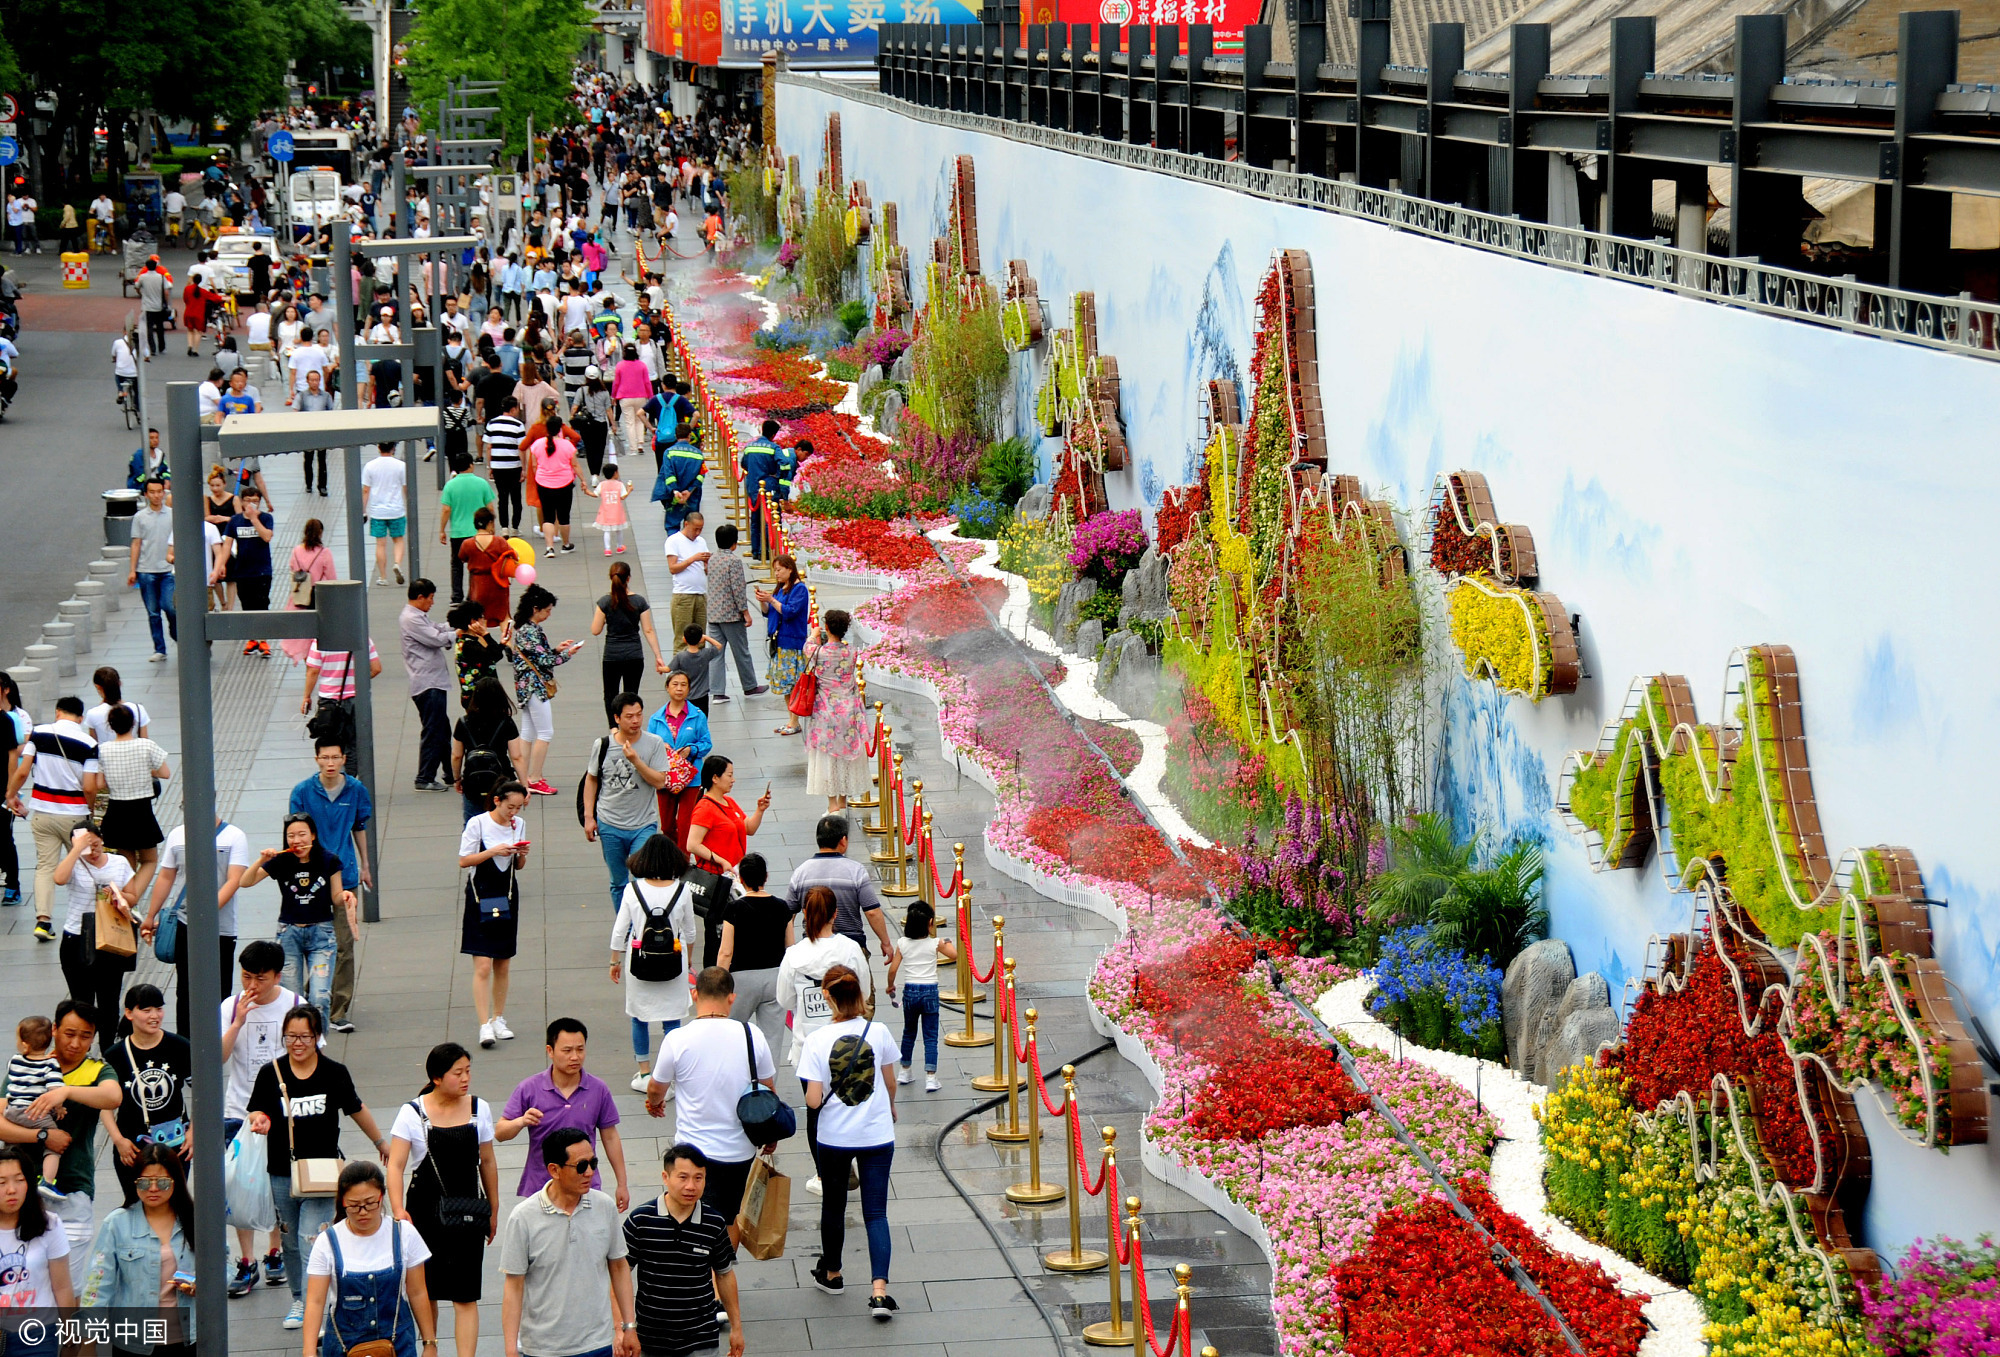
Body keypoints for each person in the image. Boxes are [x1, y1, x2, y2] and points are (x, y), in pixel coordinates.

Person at [246, 1004, 388, 1330]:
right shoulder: (272, 1073)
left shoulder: (334, 1072)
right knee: (291, 1241)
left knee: (312, 1239)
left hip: (323, 1174)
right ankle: (299, 1297)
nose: (297, 1043)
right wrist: (260, 1120)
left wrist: (381, 1142)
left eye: (304, 1037)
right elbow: (256, 1110)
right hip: (282, 1171)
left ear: (317, 1037)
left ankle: (314, 1311)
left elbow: (355, 1108)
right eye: (290, 1037)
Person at [642, 969, 777, 1243]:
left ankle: (699, 1275)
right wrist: (770, 1135)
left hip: (693, 1151)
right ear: (731, 998)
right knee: (728, 1218)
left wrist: (654, 1103)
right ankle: (722, 1273)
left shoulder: (677, 1039)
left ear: (694, 994)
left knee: (689, 1217)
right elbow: (769, 1090)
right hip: (738, 1151)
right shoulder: (752, 1035)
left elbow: (656, 1087)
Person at [385, 1044, 501, 1357]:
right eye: (457, 1073)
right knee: (426, 1290)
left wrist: (493, 1208)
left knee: (465, 1295)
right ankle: (430, 1349)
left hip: (468, 1211)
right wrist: (398, 1210)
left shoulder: (480, 1109)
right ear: (437, 1077)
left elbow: (487, 1162)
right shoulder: (412, 1113)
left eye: (468, 1071)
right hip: (423, 1212)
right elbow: (395, 1165)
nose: (466, 1078)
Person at [798, 964, 900, 1316]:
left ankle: (833, 1273)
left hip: (834, 1137)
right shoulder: (880, 1031)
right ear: (859, 994)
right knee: (875, 1213)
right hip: (876, 1133)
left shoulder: (815, 1041)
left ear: (827, 996)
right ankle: (879, 1292)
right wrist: (891, 1107)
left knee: (834, 1206)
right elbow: (890, 1082)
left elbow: (813, 1101)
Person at [498, 1129, 636, 1357]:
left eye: (594, 1163)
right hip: (544, 1349)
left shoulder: (604, 1207)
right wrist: (511, 1349)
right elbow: (514, 1286)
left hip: (598, 1344)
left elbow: (619, 1267)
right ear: (554, 1170)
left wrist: (628, 1326)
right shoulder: (523, 1217)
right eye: (581, 1166)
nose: (590, 1172)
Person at [0, 1001, 122, 1251]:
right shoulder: (26, 1065)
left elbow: (112, 1097)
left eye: (85, 1036)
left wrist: (65, 1092)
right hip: (18, 1190)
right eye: (69, 1034)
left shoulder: (97, 1070)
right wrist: (43, 1136)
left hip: (72, 1190)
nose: (76, 1043)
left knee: (69, 1284)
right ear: (54, 1029)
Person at [774, 889, 867, 1197]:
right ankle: (849, 1160)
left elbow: (784, 999)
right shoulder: (850, 949)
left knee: (816, 1111)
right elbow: (864, 992)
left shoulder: (794, 955)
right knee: (849, 1105)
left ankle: (823, 1174)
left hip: (808, 1045)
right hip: (847, 1044)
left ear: (804, 915)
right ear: (835, 914)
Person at [217, 941, 296, 1293]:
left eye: (259, 979)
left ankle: (274, 1251)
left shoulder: (295, 1006)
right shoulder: (231, 1005)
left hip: (280, 1114)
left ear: (277, 976)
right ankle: (246, 1260)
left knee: (277, 1186)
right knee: (240, 1187)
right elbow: (217, 1057)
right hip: (237, 1111)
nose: (251, 985)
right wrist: (238, 1022)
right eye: (246, 976)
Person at [302, 1161, 440, 1357]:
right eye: (354, 1206)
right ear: (343, 1202)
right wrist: (309, 1351)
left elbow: (417, 1292)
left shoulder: (404, 1233)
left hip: (398, 1344)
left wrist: (429, 1343)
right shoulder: (327, 1242)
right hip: (344, 1345)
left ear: (381, 1196)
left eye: (370, 1203)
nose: (363, 1212)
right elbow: (315, 1301)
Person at [623, 1145, 745, 1357]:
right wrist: (625, 1328)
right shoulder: (641, 1220)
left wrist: (736, 1328)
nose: (691, 1186)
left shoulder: (713, 1223)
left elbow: (724, 1275)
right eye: (683, 1177)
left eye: (699, 1178)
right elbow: (619, 1274)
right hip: (651, 1339)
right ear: (665, 1177)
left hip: (702, 1338)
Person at [495, 1020, 631, 1209]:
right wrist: (521, 1121)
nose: (575, 1057)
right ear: (550, 1051)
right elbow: (500, 1133)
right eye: (567, 1051)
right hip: (540, 1190)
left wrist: (622, 1184)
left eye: (580, 1049)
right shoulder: (529, 1088)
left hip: (586, 1187)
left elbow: (610, 1137)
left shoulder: (598, 1089)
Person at [76, 1142, 197, 1354]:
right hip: (133, 1343)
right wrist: (88, 1341)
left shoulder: (196, 1220)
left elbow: (222, 1266)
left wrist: (202, 1284)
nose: (152, 1189)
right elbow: (97, 1286)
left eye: (162, 1182)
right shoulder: (116, 1224)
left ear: (176, 1182)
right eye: (144, 1182)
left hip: (189, 1339)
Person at [289, 741, 374, 1033]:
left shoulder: (355, 790)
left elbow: (359, 827)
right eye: (324, 757)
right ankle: (313, 1003)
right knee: (312, 942)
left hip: (345, 876)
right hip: (311, 880)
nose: (330, 762)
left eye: (335, 757)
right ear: (316, 759)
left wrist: (365, 865)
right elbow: (295, 833)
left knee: (344, 944)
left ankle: (338, 1009)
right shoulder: (302, 792)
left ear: (343, 759)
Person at [141, 819, 253, 1038]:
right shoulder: (177, 835)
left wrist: (206, 913)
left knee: (219, 990)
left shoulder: (234, 836)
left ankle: (216, 1043)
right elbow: (166, 876)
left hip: (221, 928)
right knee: (186, 989)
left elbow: (234, 880)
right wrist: (150, 915)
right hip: (185, 923)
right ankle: (186, 1046)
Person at [242, 815, 356, 1026]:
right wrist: (261, 860)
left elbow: (336, 897)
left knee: (320, 997)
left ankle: (317, 1046)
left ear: (313, 835)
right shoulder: (281, 861)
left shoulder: (329, 860)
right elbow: (245, 882)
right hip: (289, 934)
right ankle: (295, 1044)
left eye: (302, 834)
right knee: (292, 1000)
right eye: (291, 836)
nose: (297, 840)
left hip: (322, 935)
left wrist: (347, 897)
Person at [608, 836, 700, 1094]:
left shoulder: (632, 890)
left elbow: (620, 931)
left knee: (639, 1016)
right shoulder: (682, 890)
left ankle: (645, 1072)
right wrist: (688, 959)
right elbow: (690, 933)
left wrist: (615, 960)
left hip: (640, 961)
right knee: (672, 1020)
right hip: (674, 960)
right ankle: (667, 1077)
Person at [99, 985, 192, 1205]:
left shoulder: (179, 1046)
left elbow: (203, 1094)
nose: (154, 1016)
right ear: (129, 1013)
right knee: (136, 1206)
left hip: (176, 1144)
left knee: (174, 1204)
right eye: (146, 1010)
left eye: (159, 1009)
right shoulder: (115, 1055)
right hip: (132, 1147)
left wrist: (193, 1132)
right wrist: (119, 1140)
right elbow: (105, 1106)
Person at [20, 697, 103, 942]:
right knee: (87, 864)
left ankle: (43, 921)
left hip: (42, 813)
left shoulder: (38, 733)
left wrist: (11, 794)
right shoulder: (89, 743)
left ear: (58, 712)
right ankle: (95, 915)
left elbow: (24, 770)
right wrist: (89, 811)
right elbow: (89, 787)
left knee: (45, 866)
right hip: (74, 816)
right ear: (80, 717)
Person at [582, 693, 673, 912]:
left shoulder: (654, 743)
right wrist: (588, 817)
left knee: (642, 877)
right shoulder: (602, 745)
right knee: (618, 882)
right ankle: (625, 927)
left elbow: (660, 781)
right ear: (617, 718)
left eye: (639, 715)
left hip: (643, 823)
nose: (635, 721)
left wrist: (636, 760)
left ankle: (642, 925)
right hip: (610, 823)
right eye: (629, 716)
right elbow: (592, 779)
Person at [52, 823, 138, 1052]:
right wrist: (75, 850)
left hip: (110, 938)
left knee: (109, 1001)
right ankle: (82, 1050)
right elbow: (59, 879)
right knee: (82, 1002)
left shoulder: (119, 862)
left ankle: (109, 1049)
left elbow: (133, 896)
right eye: (87, 847)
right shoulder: (74, 863)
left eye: (96, 844)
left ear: (102, 840)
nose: (93, 851)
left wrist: (118, 896)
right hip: (77, 938)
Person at [459, 782, 530, 1050]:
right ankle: (483, 1023)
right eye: (509, 806)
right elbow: (464, 860)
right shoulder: (478, 823)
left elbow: (518, 866)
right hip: (481, 894)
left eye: (518, 807)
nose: (513, 812)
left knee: (503, 961)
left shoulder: (518, 825)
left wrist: (521, 855)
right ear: (497, 800)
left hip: (507, 893)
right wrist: (493, 851)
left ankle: (498, 1017)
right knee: (483, 964)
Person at [789, 816, 895, 985]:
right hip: (851, 946)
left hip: (812, 945)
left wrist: (790, 947)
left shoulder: (801, 873)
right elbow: (872, 911)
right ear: (843, 840)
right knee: (858, 1001)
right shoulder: (855, 871)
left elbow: (789, 915)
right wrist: (886, 942)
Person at [686, 755, 770, 966]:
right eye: (729, 775)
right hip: (718, 881)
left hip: (734, 877)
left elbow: (748, 828)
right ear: (715, 778)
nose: (733, 779)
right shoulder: (705, 807)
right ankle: (714, 971)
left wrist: (759, 810)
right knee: (717, 930)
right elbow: (692, 844)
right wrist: (721, 860)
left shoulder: (729, 802)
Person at [716, 854, 793, 1067]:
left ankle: (737, 1081)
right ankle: (768, 1088)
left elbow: (726, 952)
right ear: (766, 877)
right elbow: (790, 948)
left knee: (732, 1033)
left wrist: (720, 984)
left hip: (742, 979)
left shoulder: (734, 909)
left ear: (741, 879)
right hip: (774, 978)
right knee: (772, 1039)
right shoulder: (782, 907)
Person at [507, 585, 582, 796]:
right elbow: (546, 660)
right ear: (535, 609)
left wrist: (557, 649)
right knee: (545, 732)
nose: (549, 614)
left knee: (529, 732)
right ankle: (534, 777)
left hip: (525, 686)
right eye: (547, 610)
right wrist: (567, 654)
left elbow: (539, 655)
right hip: (535, 687)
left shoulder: (524, 629)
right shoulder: (530, 631)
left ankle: (523, 776)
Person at [93, 705, 170, 900]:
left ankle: (126, 897)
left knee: (126, 863)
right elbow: (165, 773)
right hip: (141, 809)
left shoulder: (103, 750)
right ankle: (130, 897)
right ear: (133, 724)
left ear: (110, 726)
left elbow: (100, 783)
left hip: (116, 809)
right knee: (150, 860)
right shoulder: (146, 745)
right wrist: (145, 769)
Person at [0, 1146, 77, 1333]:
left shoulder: (50, 1224)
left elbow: (62, 1286)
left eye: (19, 1180)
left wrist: (70, 1335)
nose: (12, 1190)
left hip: (39, 1333)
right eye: (1, 1183)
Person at [802, 610, 870, 812]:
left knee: (828, 758)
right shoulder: (851, 653)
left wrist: (814, 633)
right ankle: (842, 799)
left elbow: (807, 646)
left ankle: (832, 805)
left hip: (825, 712)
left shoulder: (818, 652)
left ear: (828, 628)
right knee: (846, 756)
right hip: (849, 712)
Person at [591, 562, 668, 722]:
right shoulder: (639, 602)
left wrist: (607, 618)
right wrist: (658, 655)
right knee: (631, 694)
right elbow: (648, 630)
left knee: (610, 694)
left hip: (612, 655)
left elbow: (595, 630)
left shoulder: (605, 602)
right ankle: (631, 724)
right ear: (629, 578)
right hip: (634, 654)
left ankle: (614, 727)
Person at [642, 672, 709, 851]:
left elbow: (706, 743)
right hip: (664, 778)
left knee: (686, 823)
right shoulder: (656, 718)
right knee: (667, 826)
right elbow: (647, 745)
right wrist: (659, 746)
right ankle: (674, 855)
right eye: (675, 684)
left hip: (691, 778)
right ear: (667, 687)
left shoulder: (697, 715)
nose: (679, 689)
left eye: (683, 685)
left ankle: (683, 863)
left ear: (688, 688)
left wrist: (691, 750)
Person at [401, 580, 456, 793]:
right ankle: (424, 776)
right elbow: (435, 638)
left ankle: (450, 772)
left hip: (432, 680)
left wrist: (453, 624)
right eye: (430, 598)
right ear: (420, 597)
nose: (432, 602)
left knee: (442, 728)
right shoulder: (411, 619)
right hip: (427, 682)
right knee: (434, 730)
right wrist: (457, 633)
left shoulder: (418, 617)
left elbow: (436, 628)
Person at [299, 640, 384, 777]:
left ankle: (334, 780)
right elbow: (376, 668)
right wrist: (356, 681)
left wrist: (306, 697)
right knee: (352, 745)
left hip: (329, 703)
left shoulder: (321, 641)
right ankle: (349, 780)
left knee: (330, 744)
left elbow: (313, 671)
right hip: (355, 700)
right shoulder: (362, 638)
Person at [703, 524, 763, 703]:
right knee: (741, 651)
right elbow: (737, 589)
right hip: (730, 614)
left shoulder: (712, 559)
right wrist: (745, 612)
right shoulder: (734, 561)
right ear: (734, 543)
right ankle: (750, 685)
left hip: (714, 613)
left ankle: (717, 692)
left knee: (715, 653)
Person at [5, 1016, 63, 1189]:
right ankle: (47, 1181)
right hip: (33, 1112)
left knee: (14, 1147)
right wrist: (59, 1108)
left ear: (25, 1045)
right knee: (55, 1145)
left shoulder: (14, 1061)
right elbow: (55, 1091)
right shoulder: (50, 1064)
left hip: (12, 1110)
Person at [755, 555, 809, 733]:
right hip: (779, 642)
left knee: (793, 684)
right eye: (775, 570)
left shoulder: (799, 589)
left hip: (792, 643)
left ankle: (794, 721)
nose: (776, 573)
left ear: (790, 569)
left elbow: (789, 611)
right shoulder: (781, 589)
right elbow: (769, 613)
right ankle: (791, 720)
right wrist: (764, 601)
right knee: (786, 685)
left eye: (779, 570)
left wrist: (771, 600)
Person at [126, 479, 178, 662]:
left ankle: (177, 633)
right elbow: (136, 543)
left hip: (168, 569)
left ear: (164, 493)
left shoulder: (172, 515)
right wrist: (132, 570)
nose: (156, 495)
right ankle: (160, 648)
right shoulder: (140, 517)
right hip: (146, 570)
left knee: (170, 607)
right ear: (146, 494)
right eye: (152, 492)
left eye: (159, 491)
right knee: (153, 612)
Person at [438, 453, 497, 604]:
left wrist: (442, 530)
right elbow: (490, 507)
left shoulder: (450, 485)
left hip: (458, 532)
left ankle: (456, 596)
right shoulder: (482, 483)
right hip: (478, 532)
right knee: (475, 564)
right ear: (471, 465)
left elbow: (446, 510)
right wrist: (492, 527)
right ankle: (473, 595)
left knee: (456, 564)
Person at [225, 487, 278, 652]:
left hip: (262, 571)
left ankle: (263, 639)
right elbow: (227, 545)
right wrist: (219, 566)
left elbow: (267, 536)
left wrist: (255, 519)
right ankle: (252, 638)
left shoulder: (266, 518)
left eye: (255, 501)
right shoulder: (235, 521)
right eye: (247, 501)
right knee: (247, 605)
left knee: (262, 603)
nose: (251, 504)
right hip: (242, 571)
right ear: (241, 502)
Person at [527, 415, 587, 557]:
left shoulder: (537, 444)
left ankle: (549, 548)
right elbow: (575, 464)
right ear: (560, 429)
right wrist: (583, 480)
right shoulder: (567, 445)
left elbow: (534, 465)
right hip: (564, 483)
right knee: (563, 516)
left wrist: (539, 477)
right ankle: (566, 544)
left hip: (543, 483)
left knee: (548, 516)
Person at [282, 519, 339, 664]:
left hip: (300, 596)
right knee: (317, 633)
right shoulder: (324, 552)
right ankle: (313, 665)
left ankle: (305, 659)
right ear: (320, 533)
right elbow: (332, 577)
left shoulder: (296, 551)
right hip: (319, 597)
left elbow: (292, 569)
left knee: (303, 632)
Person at [460, 507, 519, 627]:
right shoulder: (499, 541)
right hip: (497, 584)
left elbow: (462, 558)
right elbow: (514, 555)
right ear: (490, 523)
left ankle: (483, 645)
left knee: (481, 620)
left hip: (478, 585)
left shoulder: (468, 544)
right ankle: (507, 643)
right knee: (504, 618)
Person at [362, 442, 411, 586]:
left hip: (377, 511)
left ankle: (383, 577)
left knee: (380, 544)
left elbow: (366, 490)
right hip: (396, 509)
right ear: (393, 448)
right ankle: (397, 563)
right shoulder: (401, 465)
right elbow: (405, 487)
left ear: (378, 447)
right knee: (398, 539)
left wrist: (363, 510)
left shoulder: (370, 466)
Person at [739, 421, 783, 560]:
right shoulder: (774, 448)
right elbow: (784, 464)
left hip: (752, 487)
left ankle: (756, 550)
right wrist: (776, 475)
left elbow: (743, 464)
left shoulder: (749, 447)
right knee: (767, 520)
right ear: (773, 434)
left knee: (755, 520)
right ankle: (767, 551)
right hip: (768, 487)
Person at [667, 624, 722, 718]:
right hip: (702, 695)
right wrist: (706, 637)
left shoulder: (681, 656)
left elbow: (668, 669)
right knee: (702, 719)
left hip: (686, 695)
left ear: (684, 639)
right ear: (700, 640)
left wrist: (660, 668)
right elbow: (718, 645)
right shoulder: (706, 654)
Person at [586, 461, 631, 555]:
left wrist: (586, 491)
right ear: (615, 473)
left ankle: (607, 549)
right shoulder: (619, 484)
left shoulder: (602, 484)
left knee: (606, 530)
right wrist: (629, 490)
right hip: (617, 511)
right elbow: (623, 496)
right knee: (619, 530)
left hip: (605, 511)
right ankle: (619, 547)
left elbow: (595, 494)